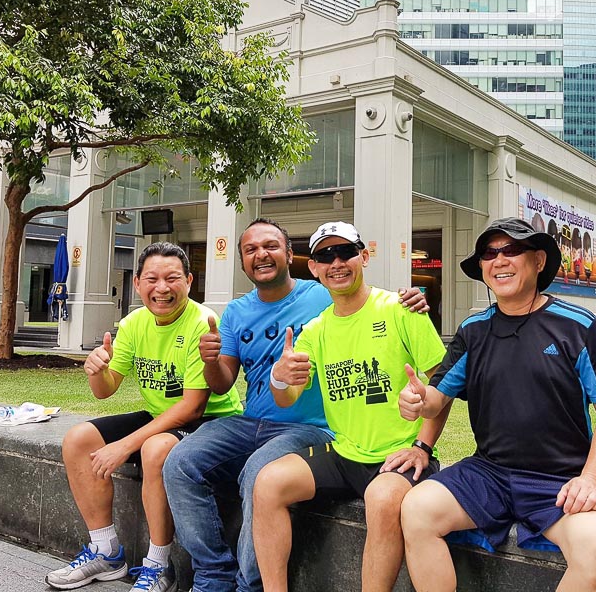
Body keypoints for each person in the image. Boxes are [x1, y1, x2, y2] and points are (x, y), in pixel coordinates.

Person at [162, 218, 429, 592]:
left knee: (259, 472)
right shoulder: (243, 313)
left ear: (291, 255)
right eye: (251, 250)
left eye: (270, 246)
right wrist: (216, 361)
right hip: (253, 420)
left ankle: (247, 584)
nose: (261, 255)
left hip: (308, 427)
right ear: (242, 263)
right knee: (179, 461)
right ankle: (212, 574)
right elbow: (226, 381)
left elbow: (371, 303)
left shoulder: (325, 296)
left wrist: (412, 298)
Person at [398, 217, 596, 592]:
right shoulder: (473, 330)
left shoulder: (578, 325)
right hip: (489, 473)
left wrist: (590, 478)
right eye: (490, 253)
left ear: (538, 261)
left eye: (512, 250)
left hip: (560, 479)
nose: (499, 260)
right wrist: (416, 400)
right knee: (416, 509)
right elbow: (437, 397)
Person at [252, 221, 451, 592]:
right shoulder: (315, 330)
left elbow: (444, 382)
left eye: (345, 252)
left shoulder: (400, 310)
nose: (336, 262)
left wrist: (422, 445)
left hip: (399, 456)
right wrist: (280, 376)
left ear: (364, 256)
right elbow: (286, 397)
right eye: (325, 255)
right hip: (344, 453)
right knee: (267, 482)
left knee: (381, 498)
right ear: (313, 267)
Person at [46, 242, 242, 592]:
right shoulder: (134, 322)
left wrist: (124, 446)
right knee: (78, 440)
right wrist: (96, 370)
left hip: (211, 422)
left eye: (172, 278)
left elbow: (193, 407)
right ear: (137, 283)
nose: (162, 288)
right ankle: (106, 552)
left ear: (189, 281)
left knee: (154, 449)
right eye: (152, 278)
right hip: (161, 416)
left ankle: (158, 566)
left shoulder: (202, 322)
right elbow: (105, 390)